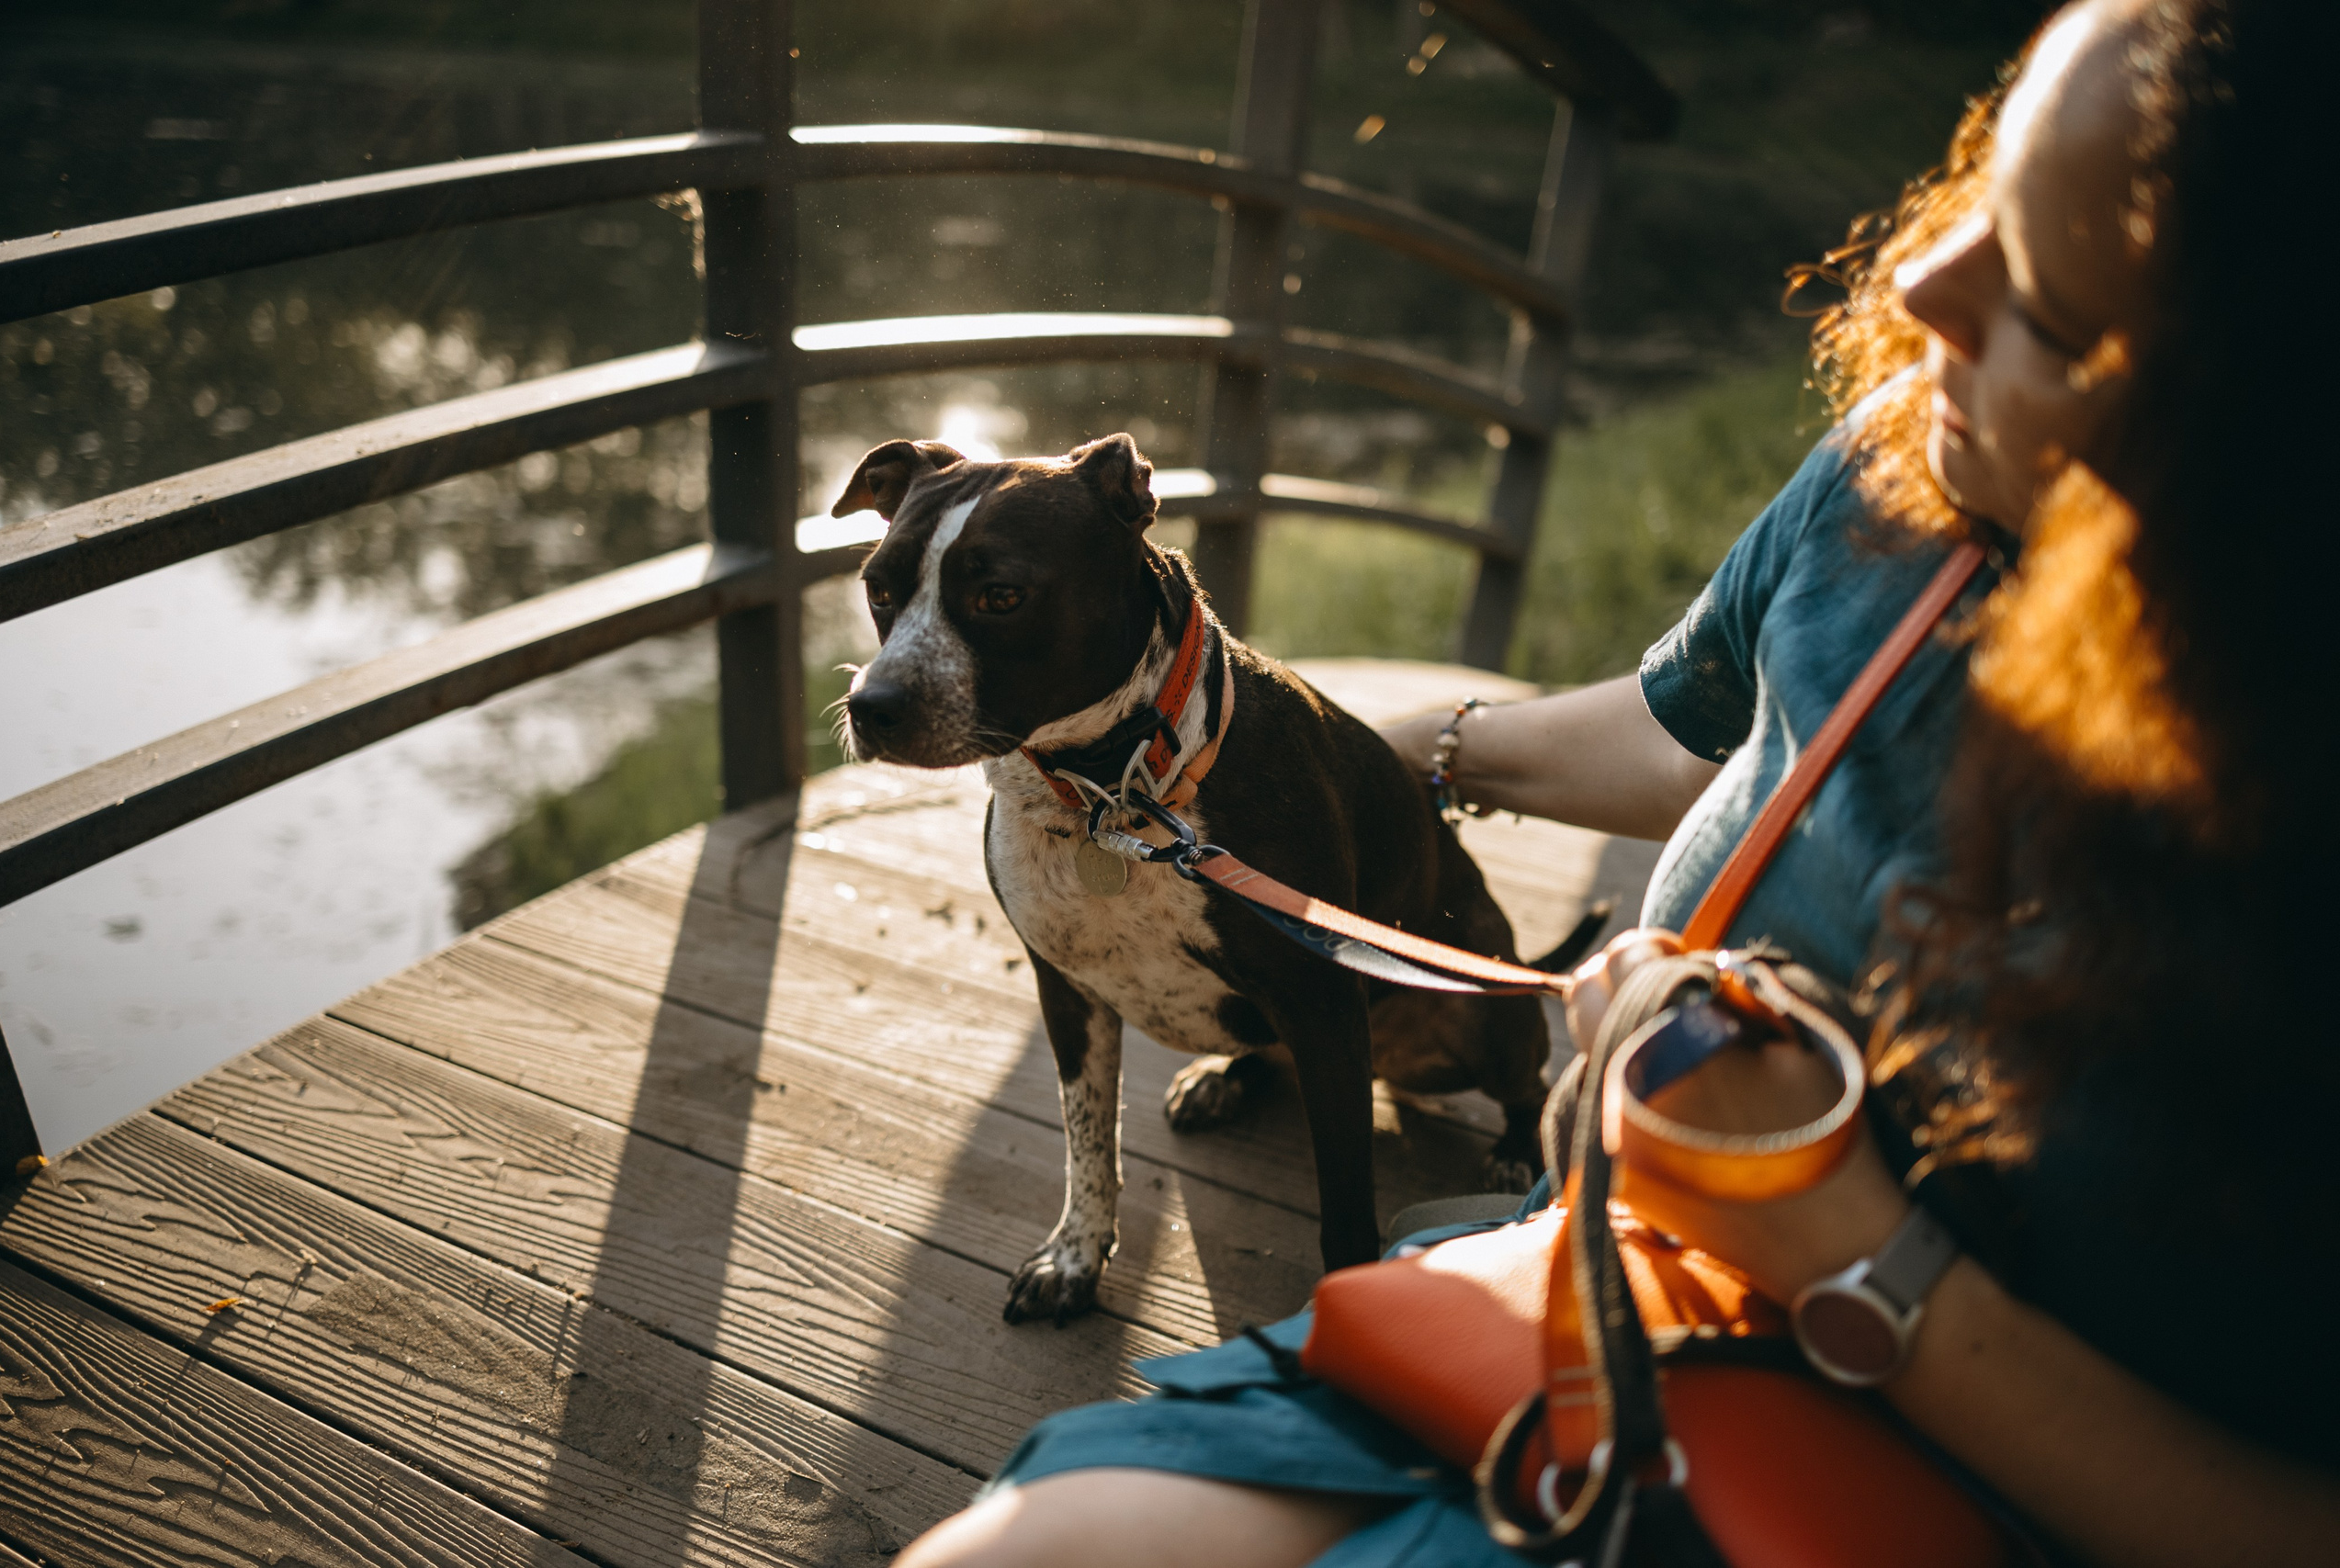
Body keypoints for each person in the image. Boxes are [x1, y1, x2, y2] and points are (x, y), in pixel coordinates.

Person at [896, 2, 2340, 1562]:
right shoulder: (1898, 470)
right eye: (1985, 194)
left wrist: (1857, 1254)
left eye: (2050, 311)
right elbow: (1695, 728)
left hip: (1934, 1466)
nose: (1924, 284)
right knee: (1019, 1543)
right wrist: (1422, 750)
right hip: (1592, 1284)